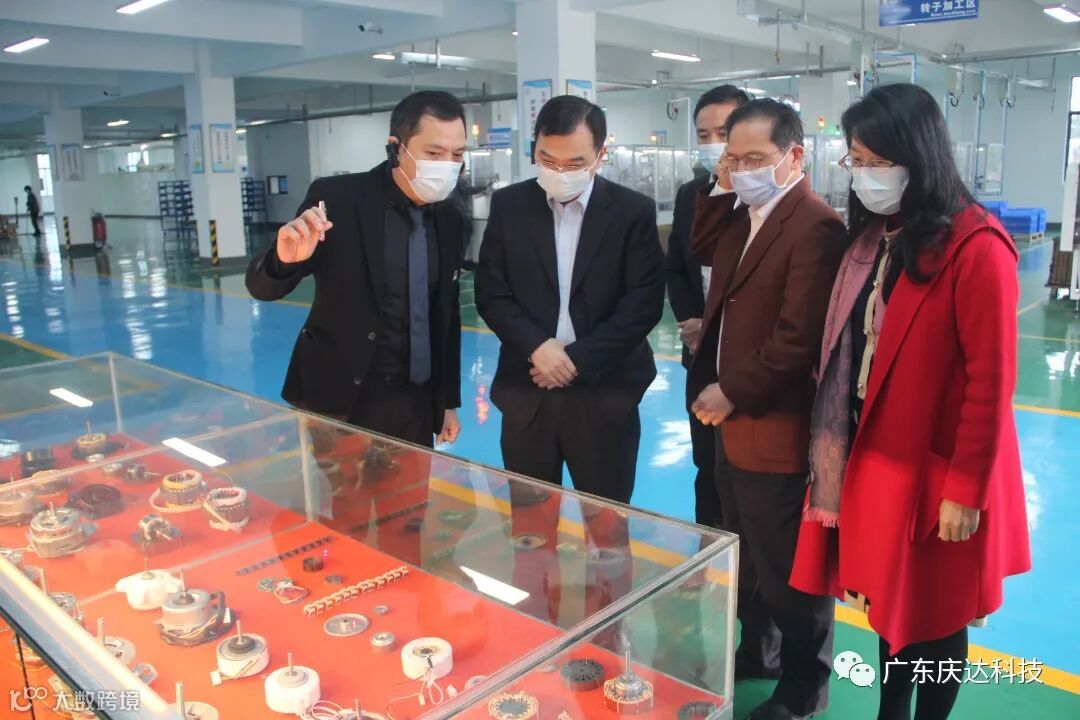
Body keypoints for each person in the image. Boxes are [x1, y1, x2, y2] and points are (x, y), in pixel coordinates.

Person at [790, 84, 1032, 720]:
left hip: (937, 472)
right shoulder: (874, 239)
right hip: (877, 457)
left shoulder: (976, 247)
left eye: (878, 161)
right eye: (856, 160)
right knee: (891, 609)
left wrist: (965, 492)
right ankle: (891, 711)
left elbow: (989, 384)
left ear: (919, 156)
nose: (865, 175)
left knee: (936, 616)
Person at [687, 98, 847, 720]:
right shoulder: (745, 213)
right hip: (730, 428)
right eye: (733, 158)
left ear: (794, 156)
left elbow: (797, 337)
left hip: (770, 424)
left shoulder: (814, 226)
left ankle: (805, 686)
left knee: (787, 567)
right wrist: (723, 184)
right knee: (747, 557)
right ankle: (761, 652)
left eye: (755, 158)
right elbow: (700, 244)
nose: (742, 169)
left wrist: (733, 390)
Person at [246, 90, 467, 449]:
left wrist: (447, 403)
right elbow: (262, 289)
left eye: (457, 155)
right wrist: (284, 260)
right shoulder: (339, 200)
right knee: (340, 488)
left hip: (415, 402)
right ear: (396, 148)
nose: (447, 165)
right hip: (340, 401)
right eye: (433, 153)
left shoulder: (450, 219)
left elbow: (447, 316)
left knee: (411, 488)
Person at [476, 95, 664, 504]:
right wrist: (536, 347)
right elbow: (491, 292)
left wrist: (575, 360)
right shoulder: (510, 206)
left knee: (607, 525)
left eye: (575, 163)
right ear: (534, 149)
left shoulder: (631, 212)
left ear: (600, 155)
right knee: (530, 521)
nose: (560, 172)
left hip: (605, 394)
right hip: (528, 391)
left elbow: (643, 304)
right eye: (548, 159)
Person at [666, 84, 749, 528]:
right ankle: (710, 548)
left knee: (745, 474)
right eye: (704, 135)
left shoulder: (764, 199)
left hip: (750, 368)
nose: (713, 143)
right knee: (707, 466)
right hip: (699, 355)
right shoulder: (691, 194)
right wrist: (692, 321)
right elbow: (677, 267)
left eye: (724, 132)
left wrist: (717, 326)